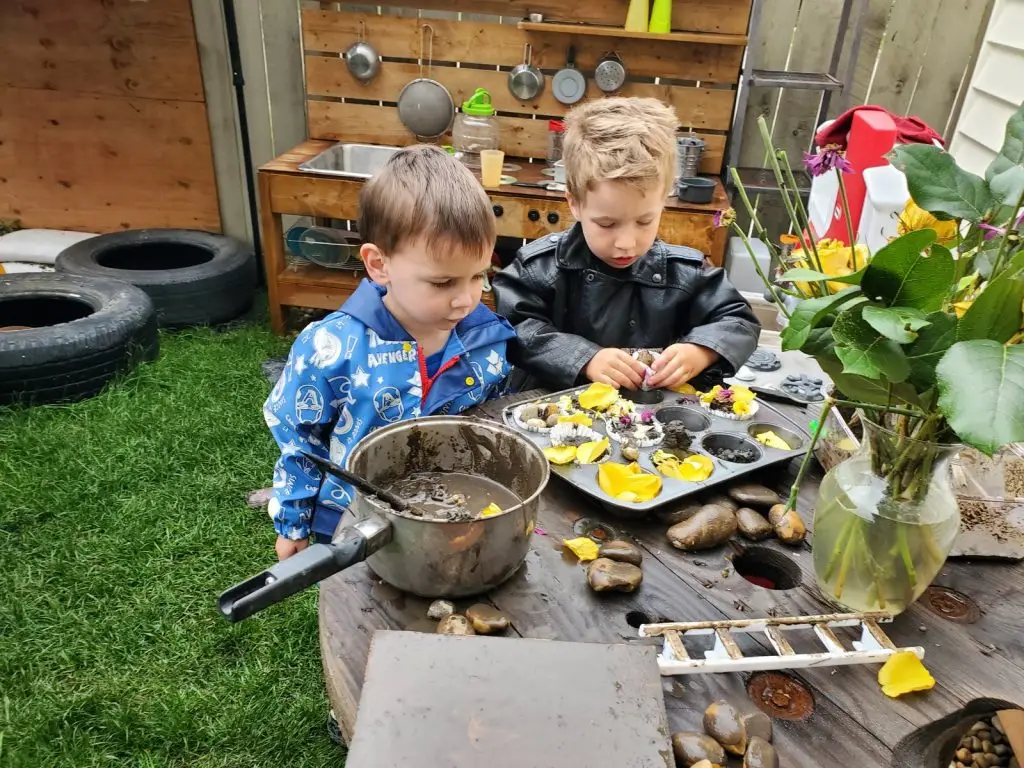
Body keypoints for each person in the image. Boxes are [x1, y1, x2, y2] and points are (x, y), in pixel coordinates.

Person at [264, 145, 515, 560]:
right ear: (379, 264)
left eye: (478, 276)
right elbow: (298, 438)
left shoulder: (486, 342)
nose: (465, 300)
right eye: (442, 283)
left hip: (450, 511)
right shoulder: (330, 348)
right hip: (349, 517)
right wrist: (293, 522)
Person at [493, 97, 759, 392]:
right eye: (607, 224)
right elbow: (513, 327)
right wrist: (584, 358)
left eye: (645, 221)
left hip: (651, 420)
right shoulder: (539, 269)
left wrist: (701, 350)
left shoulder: (686, 273)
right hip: (553, 413)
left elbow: (738, 320)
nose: (626, 243)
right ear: (575, 204)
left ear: (664, 201)